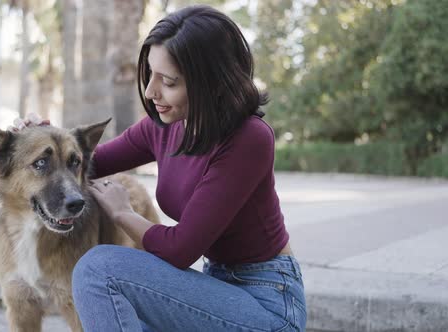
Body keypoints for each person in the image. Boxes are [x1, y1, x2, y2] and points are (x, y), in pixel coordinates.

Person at [19, 5, 306, 331]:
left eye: (168, 81)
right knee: (115, 304)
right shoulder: (163, 128)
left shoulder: (248, 139)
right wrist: (41, 137)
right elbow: (86, 163)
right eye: (150, 74)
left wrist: (123, 212)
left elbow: (180, 249)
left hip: (267, 303)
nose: (151, 91)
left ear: (210, 83)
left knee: (98, 270)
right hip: (214, 290)